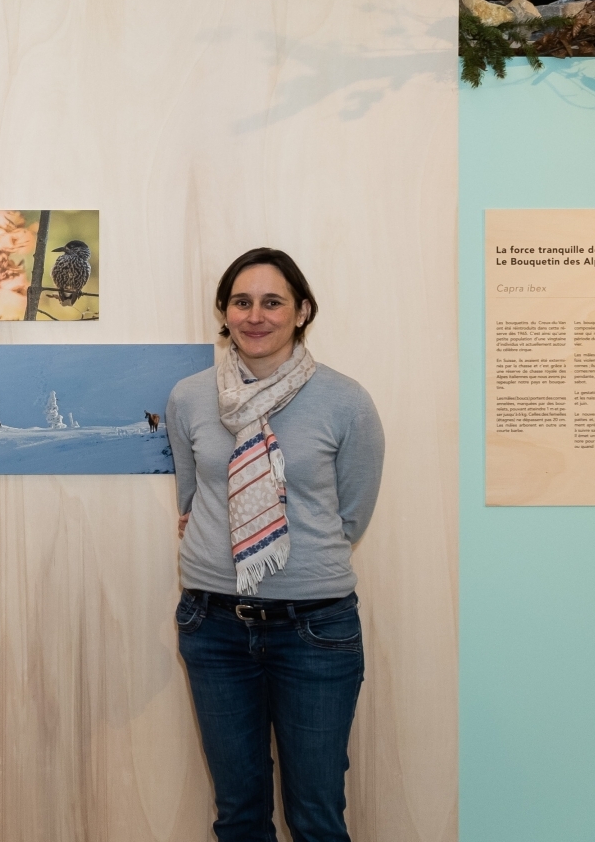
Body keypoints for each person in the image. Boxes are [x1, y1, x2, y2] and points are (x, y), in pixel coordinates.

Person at [165, 247, 385, 842]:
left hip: (316, 631)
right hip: (213, 627)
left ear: (302, 311)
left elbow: (352, 513)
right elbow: (191, 500)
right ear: (225, 312)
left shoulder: (346, 402)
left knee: (315, 814)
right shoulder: (189, 398)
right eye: (241, 302)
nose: (254, 316)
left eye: (272, 302)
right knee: (238, 813)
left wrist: (295, 563)